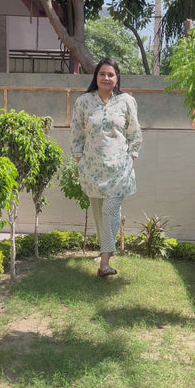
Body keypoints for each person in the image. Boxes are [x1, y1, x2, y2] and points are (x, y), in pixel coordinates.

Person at [70, 57, 142, 277]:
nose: (106, 78)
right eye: (102, 74)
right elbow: (76, 132)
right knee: (99, 213)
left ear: (117, 78)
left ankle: (104, 263)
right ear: (96, 77)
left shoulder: (126, 101)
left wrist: (131, 156)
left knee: (111, 210)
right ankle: (105, 252)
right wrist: (79, 159)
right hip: (92, 168)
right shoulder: (83, 102)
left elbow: (134, 132)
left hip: (119, 169)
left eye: (111, 74)